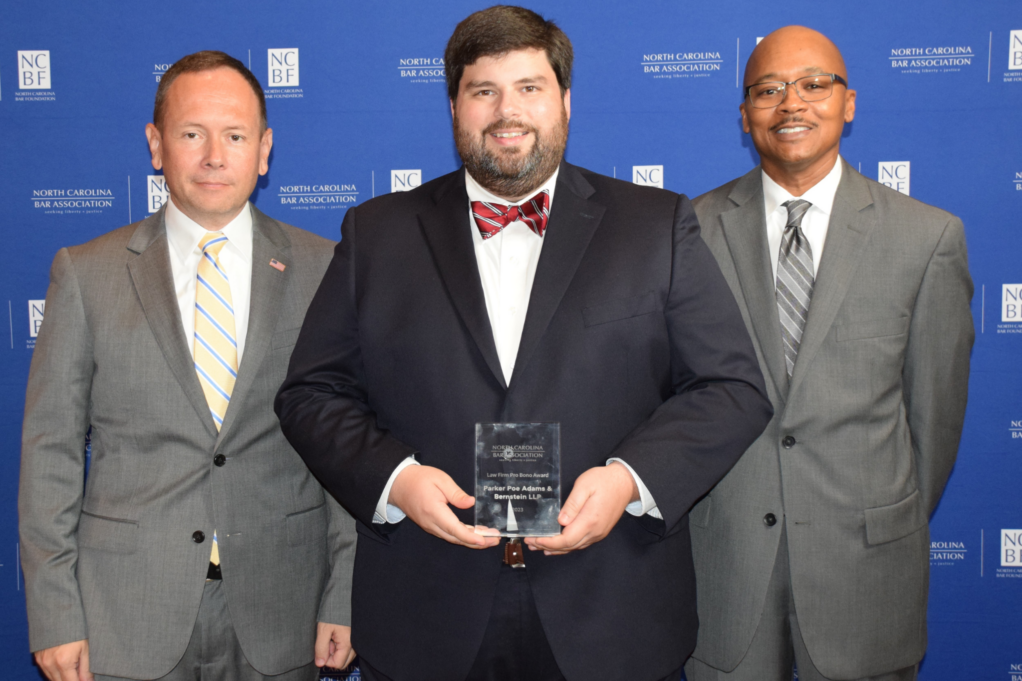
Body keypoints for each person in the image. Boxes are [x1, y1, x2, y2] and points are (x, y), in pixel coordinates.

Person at [274, 6, 772, 681]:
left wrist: (630, 479)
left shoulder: (655, 226)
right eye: (484, 91)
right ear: (454, 105)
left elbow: (732, 387)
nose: (508, 112)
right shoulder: (377, 233)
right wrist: (396, 479)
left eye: (530, 88)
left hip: (612, 609)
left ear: (565, 101)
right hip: (426, 610)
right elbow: (310, 392)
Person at [19, 51, 356, 681]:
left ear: (264, 149)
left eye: (234, 136)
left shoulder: (324, 269)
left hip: (284, 607)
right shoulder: (87, 273)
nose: (213, 156)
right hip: (126, 611)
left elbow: (345, 444)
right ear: (156, 145)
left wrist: (344, 596)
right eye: (191, 133)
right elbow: (51, 452)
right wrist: (55, 613)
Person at [685, 26, 974, 681]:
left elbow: (933, 423)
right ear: (744, 115)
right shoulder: (687, 232)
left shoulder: (927, 237)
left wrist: (874, 516)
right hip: (725, 570)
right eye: (768, 90)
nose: (792, 103)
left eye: (815, 85)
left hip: (864, 572)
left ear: (848, 103)